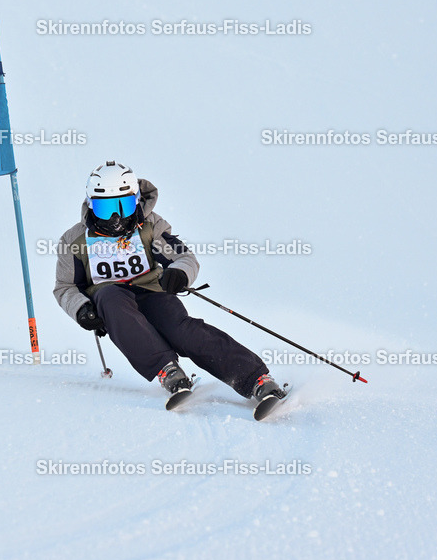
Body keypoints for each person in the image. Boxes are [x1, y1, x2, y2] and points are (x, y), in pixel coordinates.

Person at [53, 160, 285, 406]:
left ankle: (255, 379)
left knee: (182, 331)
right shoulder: (75, 240)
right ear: (90, 205)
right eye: (105, 208)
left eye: (123, 205)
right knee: (111, 298)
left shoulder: (148, 227)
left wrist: (179, 273)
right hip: (111, 301)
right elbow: (65, 287)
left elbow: (184, 257)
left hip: (152, 291)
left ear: (136, 200)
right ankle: (168, 371)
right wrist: (81, 308)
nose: (116, 217)